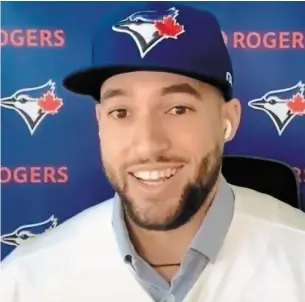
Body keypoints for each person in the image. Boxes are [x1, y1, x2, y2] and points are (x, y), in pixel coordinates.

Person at [1, 2, 305, 302]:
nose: (147, 144)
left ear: (228, 120)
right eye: (121, 112)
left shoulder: (297, 257)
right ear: (99, 123)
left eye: (178, 109)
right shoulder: (26, 281)